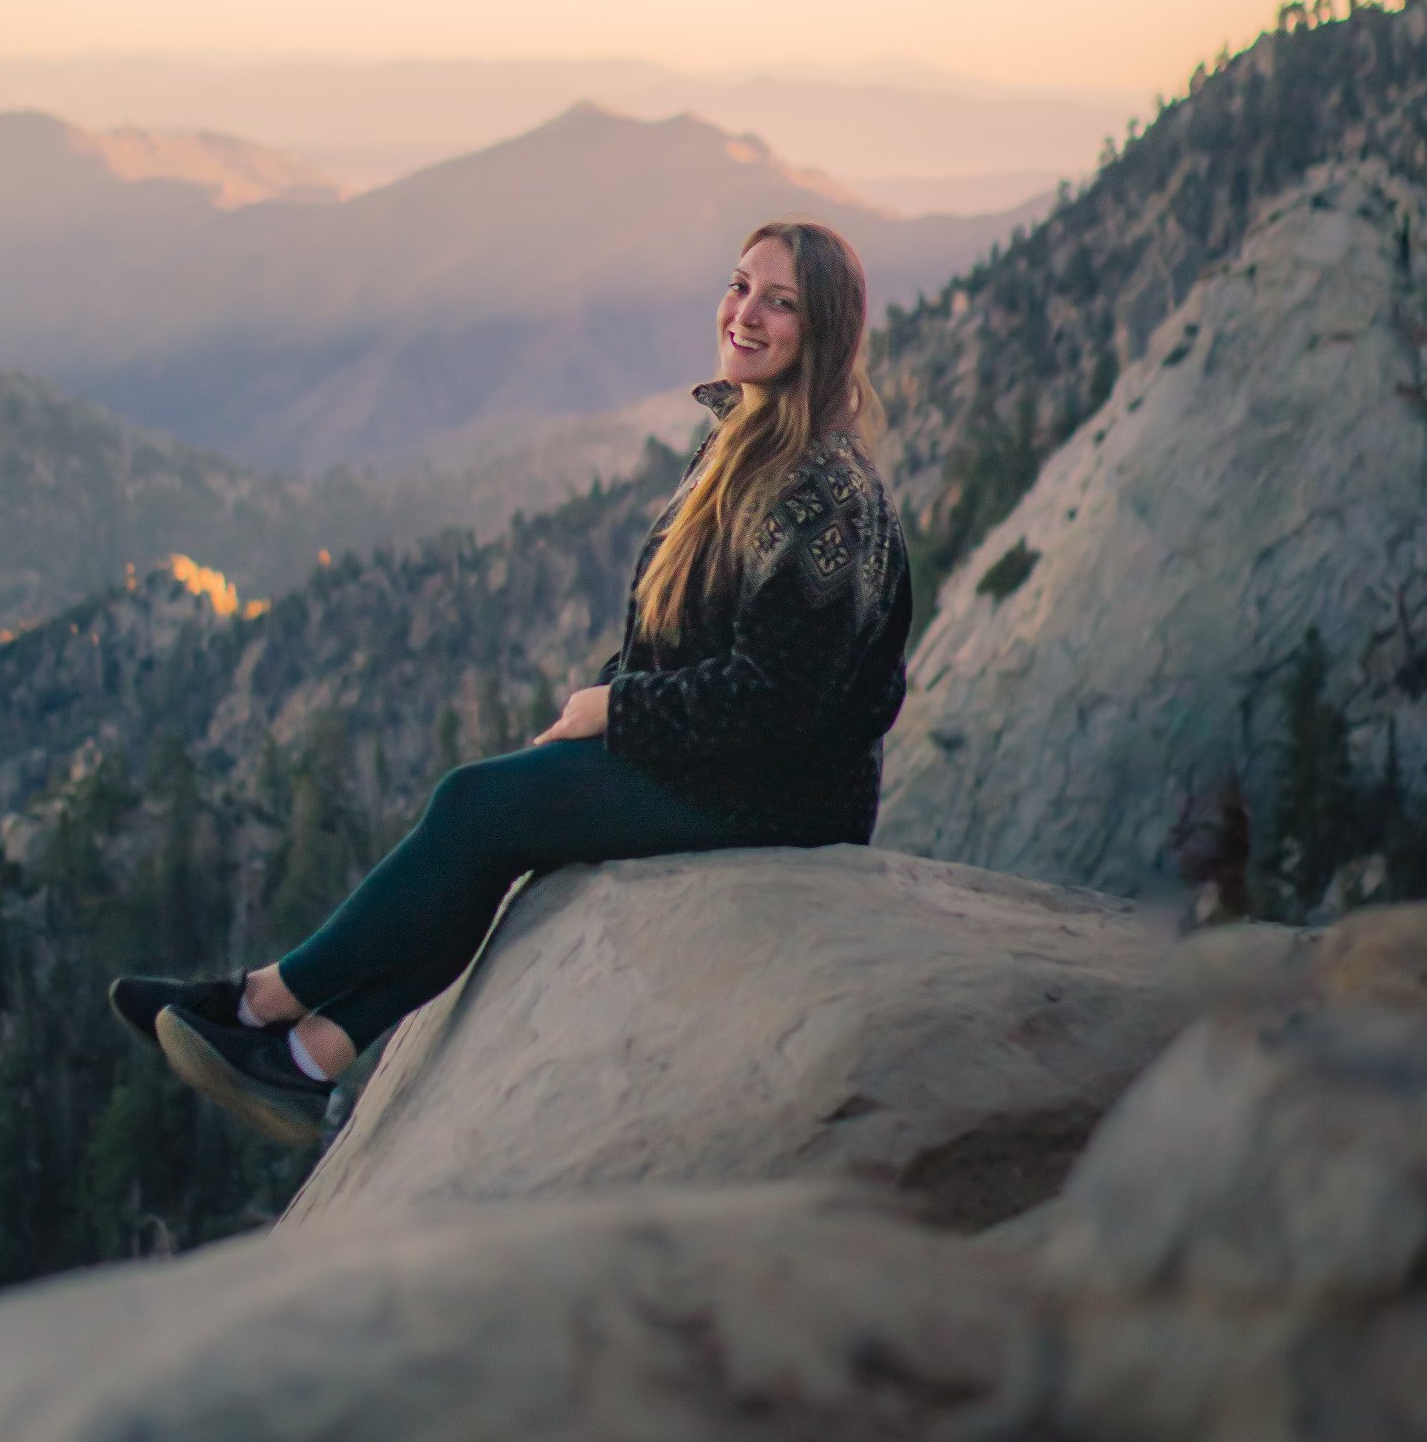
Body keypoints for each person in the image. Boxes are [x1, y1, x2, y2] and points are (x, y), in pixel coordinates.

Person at [108, 217, 912, 1147]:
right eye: (740, 286)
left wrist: (615, 710)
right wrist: (603, 713)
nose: (746, 313)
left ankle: (254, 1006)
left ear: (825, 332)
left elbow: (783, 698)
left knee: (477, 805)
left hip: (785, 792)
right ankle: (302, 1060)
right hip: (726, 762)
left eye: (781, 302)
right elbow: (671, 635)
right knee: (494, 828)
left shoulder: (823, 491)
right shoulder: (744, 445)